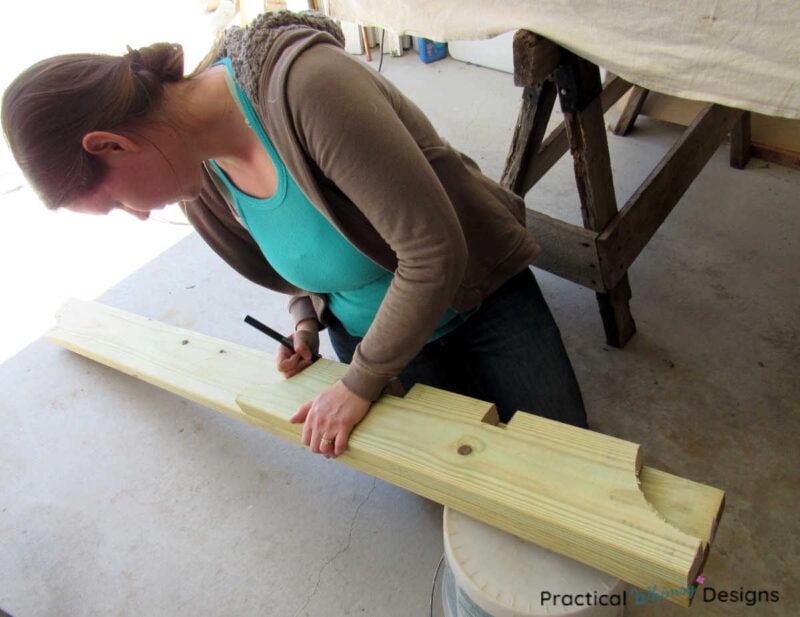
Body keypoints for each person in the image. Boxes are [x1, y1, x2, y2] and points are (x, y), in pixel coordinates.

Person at [2, 11, 587, 458]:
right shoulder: (197, 176)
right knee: (455, 485)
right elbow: (293, 255)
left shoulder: (309, 88)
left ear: (110, 144)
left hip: (475, 298)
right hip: (369, 333)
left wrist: (359, 383)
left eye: (115, 202)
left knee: (567, 466)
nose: (138, 215)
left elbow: (435, 253)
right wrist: (306, 319)